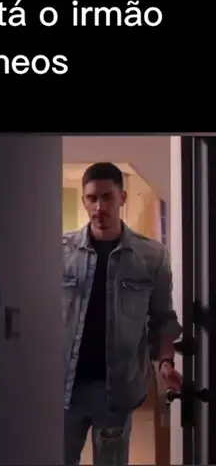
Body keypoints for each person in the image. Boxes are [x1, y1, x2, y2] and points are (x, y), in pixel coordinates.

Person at [63, 162, 182, 465]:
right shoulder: (60, 251)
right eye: (92, 198)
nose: (99, 207)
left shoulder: (151, 256)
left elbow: (163, 319)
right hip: (65, 388)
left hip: (116, 391)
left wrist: (165, 362)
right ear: (84, 200)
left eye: (107, 197)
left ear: (122, 198)